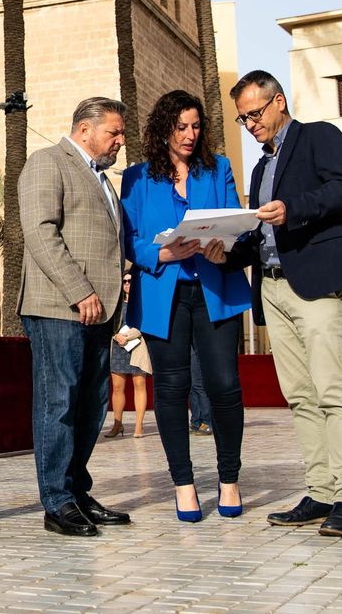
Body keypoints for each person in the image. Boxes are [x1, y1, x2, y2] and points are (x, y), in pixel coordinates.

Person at [227, 70, 342, 538]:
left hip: (320, 284)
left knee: (333, 389)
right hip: (272, 287)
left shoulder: (319, 137)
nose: (250, 124)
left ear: (279, 101)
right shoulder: (260, 168)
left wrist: (294, 208)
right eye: (243, 118)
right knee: (301, 396)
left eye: (255, 113)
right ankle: (321, 490)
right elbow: (263, 236)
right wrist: (225, 250)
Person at [120, 89, 253, 522]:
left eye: (196, 126)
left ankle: (229, 480)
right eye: (181, 127)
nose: (190, 134)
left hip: (216, 291)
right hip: (163, 294)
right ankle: (184, 485)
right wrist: (158, 254)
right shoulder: (138, 178)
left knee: (225, 386)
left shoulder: (219, 169)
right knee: (172, 390)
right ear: (163, 129)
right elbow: (128, 236)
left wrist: (224, 246)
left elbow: (238, 223)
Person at [16, 97, 133, 537]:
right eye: (114, 133)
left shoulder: (102, 178)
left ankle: (77, 491)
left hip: (98, 312)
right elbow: (40, 231)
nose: (120, 141)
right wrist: (79, 290)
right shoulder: (48, 162)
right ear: (85, 129)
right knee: (59, 402)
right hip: (58, 307)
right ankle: (57, 501)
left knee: (91, 404)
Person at [106, 314, 150, 439]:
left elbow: (145, 322)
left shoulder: (140, 301)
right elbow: (109, 322)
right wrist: (117, 336)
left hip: (137, 346)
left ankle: (138, 426)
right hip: (117, 345)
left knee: (139, 385)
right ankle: (117, 424)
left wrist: (127, 336)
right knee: (117, 387)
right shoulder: (117, 301)